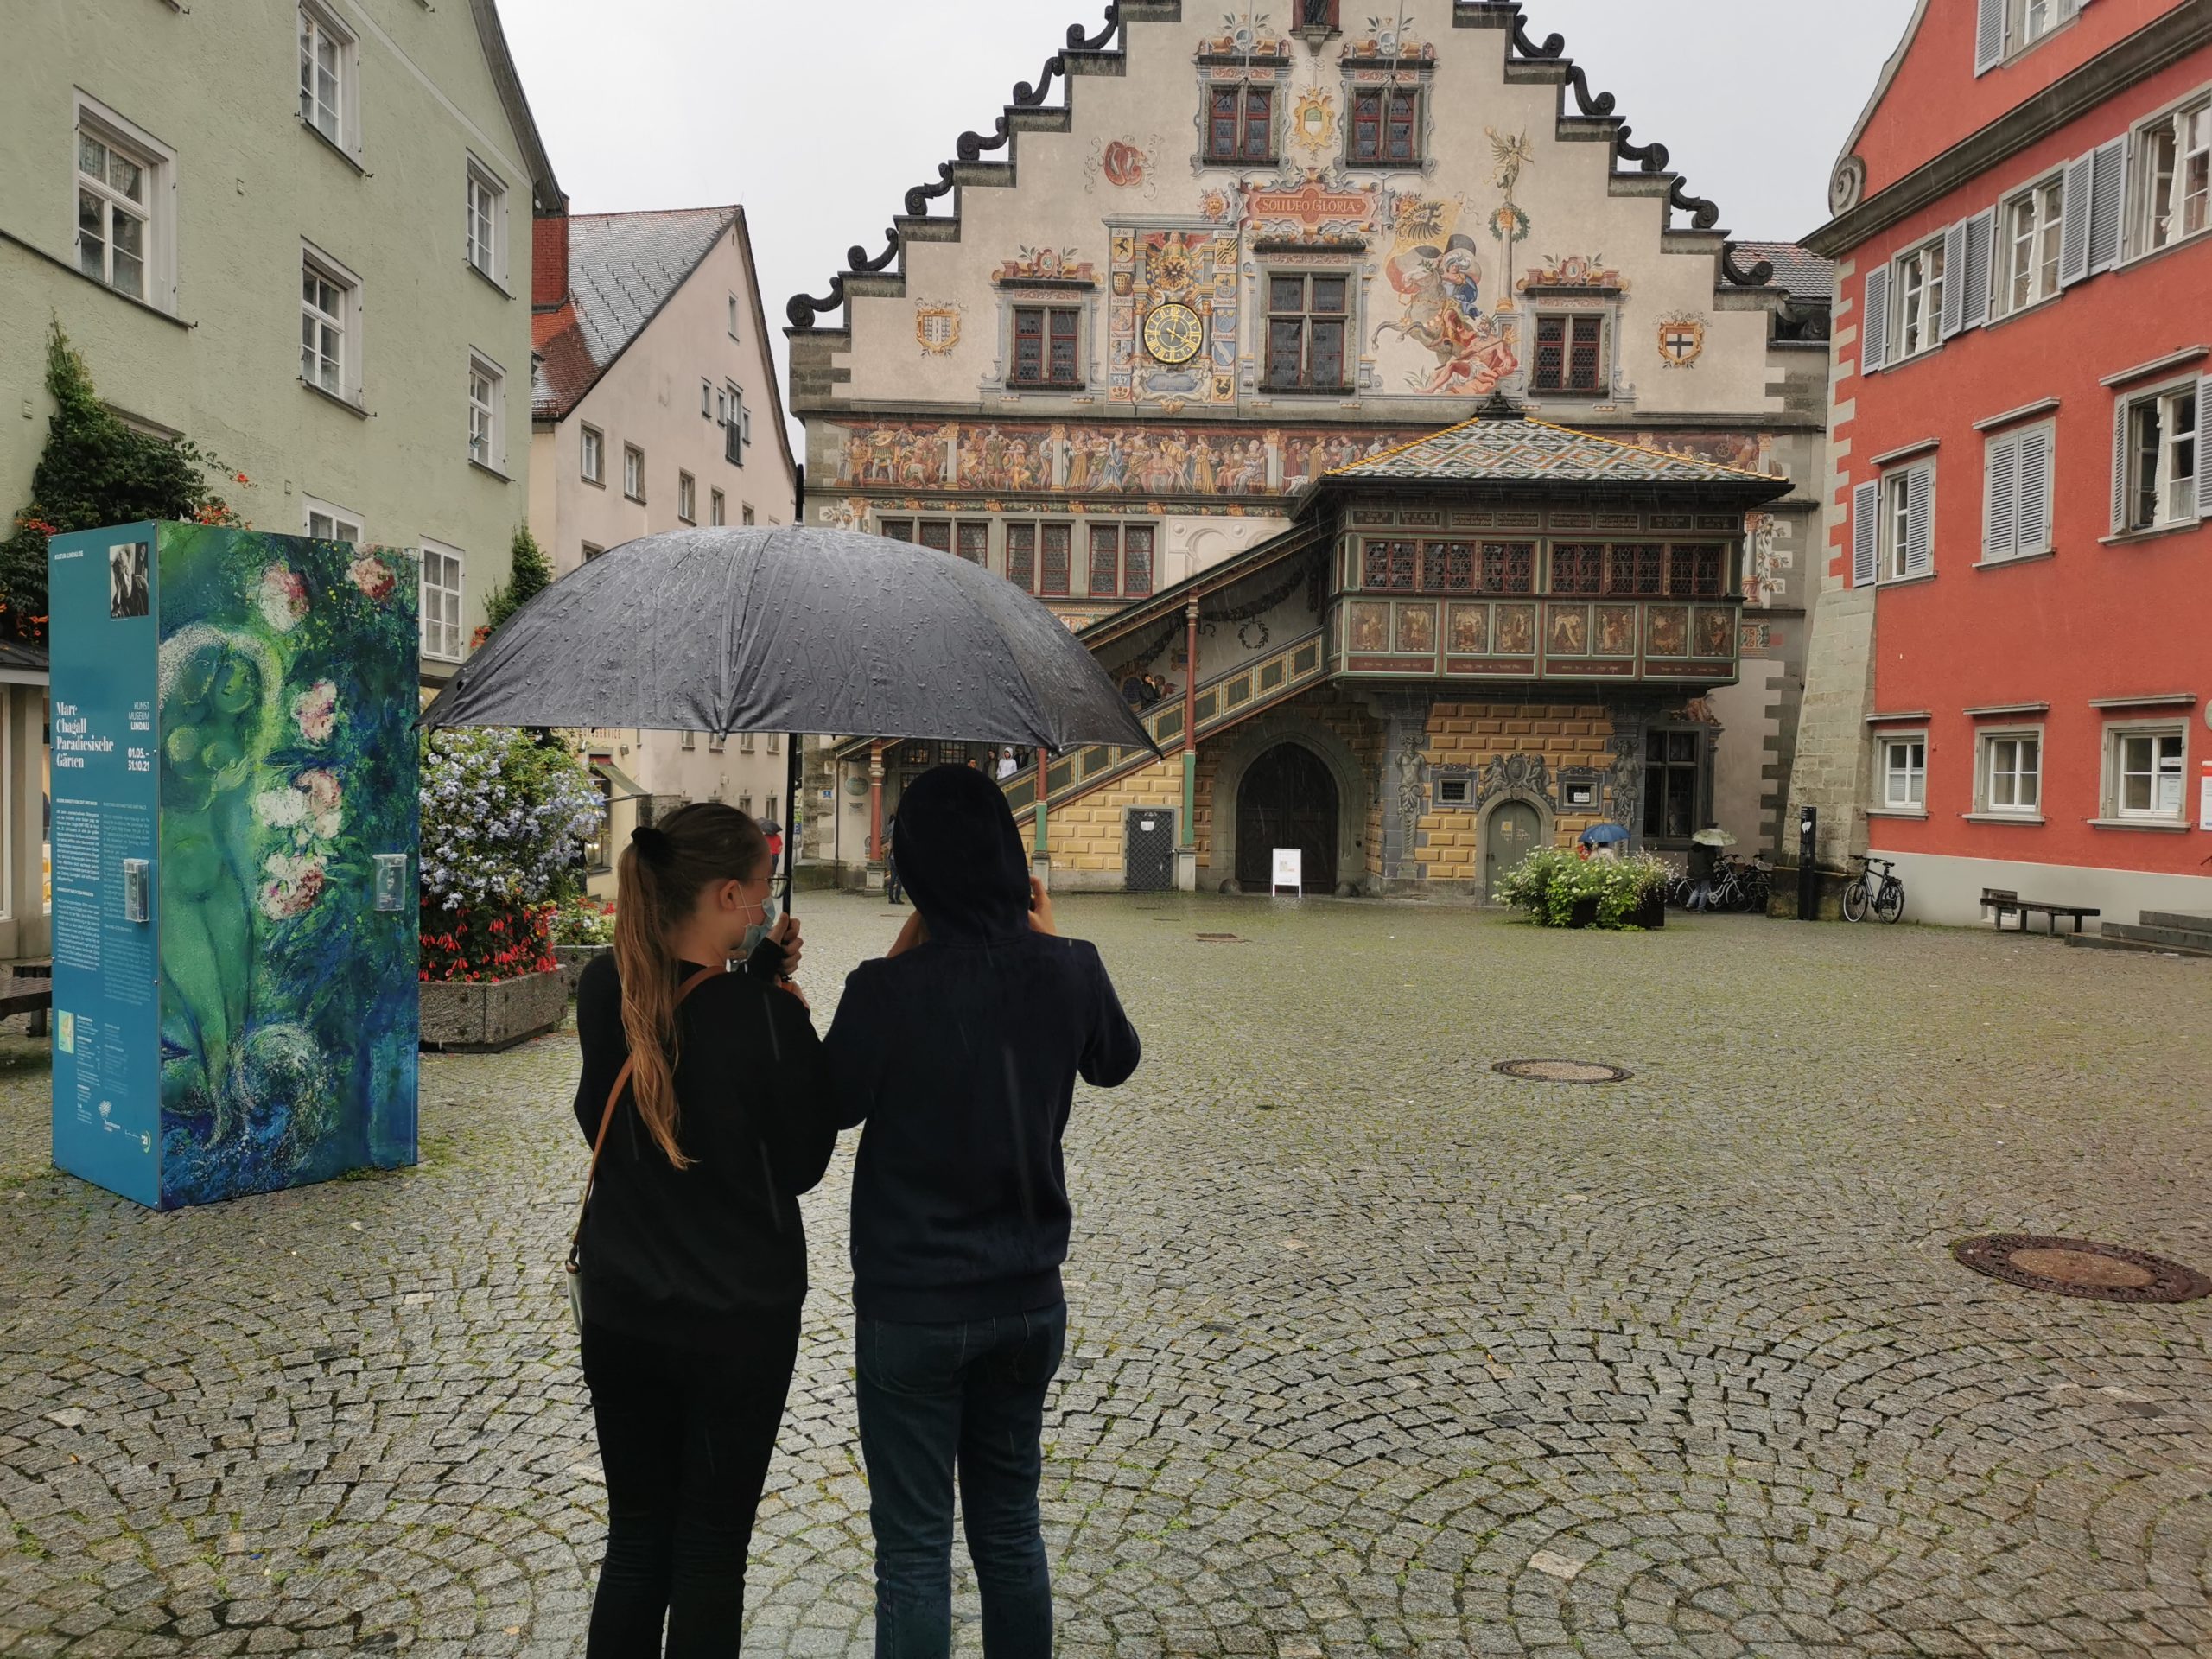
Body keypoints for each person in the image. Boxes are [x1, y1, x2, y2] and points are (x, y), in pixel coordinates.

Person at [825, 765, 1141, 1657]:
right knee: (1010, 1532)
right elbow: (1114, 1060)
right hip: (1026, 1297)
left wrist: (890, 965)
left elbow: (830, 1106)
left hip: (912, 1305)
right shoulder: (1070, 969)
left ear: (912, 872)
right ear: (1011, 861)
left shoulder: (883, 992)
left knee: (915, 1551)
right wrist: (1047, 933)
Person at [570, 804, 833, 1657]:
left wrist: (750, 973)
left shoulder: (605, 986)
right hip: (736, 1322)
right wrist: (775, 1000)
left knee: (638, 1538)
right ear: (726, 892)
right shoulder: (768, 1020)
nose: (763, 905)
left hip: (622, 1310)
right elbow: (799, 1162)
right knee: (711, 1551)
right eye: (757, 891)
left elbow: (625, 1096)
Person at [881, 815, 905, 906]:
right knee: (899, 880)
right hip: (898, 861)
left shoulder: (891, 835)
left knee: (892, 879)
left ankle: (891, 898)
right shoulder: (900, 835)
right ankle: (897, 898)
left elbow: (889, 847)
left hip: (892, 858)